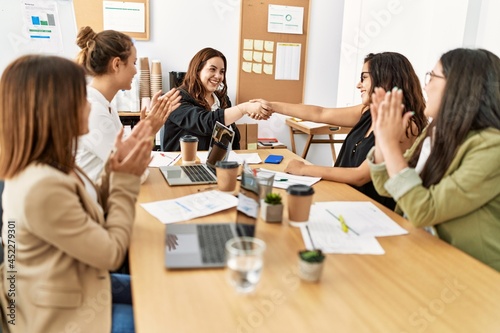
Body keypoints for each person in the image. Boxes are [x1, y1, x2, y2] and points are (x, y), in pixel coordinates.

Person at [0, 55, 152, 332]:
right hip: (58, 314)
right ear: (55, 108)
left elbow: (92, 206)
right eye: (81, 97)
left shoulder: (52, 164)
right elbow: (112, 254)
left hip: (72, 283)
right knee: (160, 318)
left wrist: (114, 169)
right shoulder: (41, 187)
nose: (88, 105)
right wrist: (126, 180)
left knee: (159, 288)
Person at [368, 48, 500, 271]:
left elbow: (425, 210)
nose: (425, 86)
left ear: (459, 86)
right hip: (421, 250)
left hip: (471, 273)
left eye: (432, 77)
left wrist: (390, 144)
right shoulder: (436, 131)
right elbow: (386, 186)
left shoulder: (491, 147)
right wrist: (382, 138)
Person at [263, 52, 427, 209]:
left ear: (385, 78)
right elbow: (320, 113)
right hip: (344, 197)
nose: (358, 85)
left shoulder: (406, 125)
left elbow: (360, 176)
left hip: (372, 210)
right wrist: (271, 106)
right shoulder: (367, 111)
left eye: (364, 78)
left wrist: (304, 168)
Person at [75, 26, 181, 181]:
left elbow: (127, 155)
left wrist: (146, 131)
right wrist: (147, 133)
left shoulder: (105, 105)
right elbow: (134, 175)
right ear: (117, 64)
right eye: (134, 62)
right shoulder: (94, 111)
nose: (136, 71)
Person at [162, 47, 271, 152]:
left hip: (217, 165)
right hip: (183, 166)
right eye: (212, 69)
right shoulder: (177, 98)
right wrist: (243, 108)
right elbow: (205, 122)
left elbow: (230, 137)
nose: (218, 76)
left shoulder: (222, 99)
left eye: (222, 72)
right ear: (197, 70)